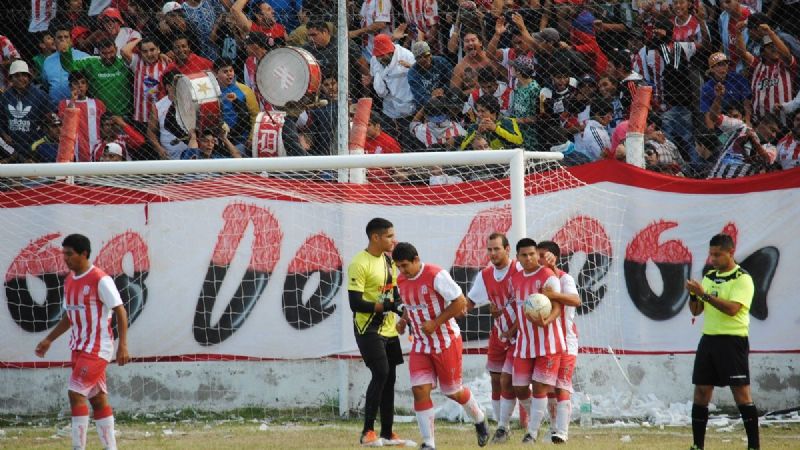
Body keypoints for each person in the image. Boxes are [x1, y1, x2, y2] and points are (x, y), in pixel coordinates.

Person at [34, 233, 130, 450]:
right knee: (97, 399)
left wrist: (122, 346)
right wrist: (49, 339)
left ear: (84, 254)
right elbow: (70, 316)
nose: (65, 259)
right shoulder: (69, 280)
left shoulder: (100, 279)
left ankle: (78, 447)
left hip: (97, 348)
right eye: (64, 254)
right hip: (78, 347)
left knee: (75, 393)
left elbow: (120, 311)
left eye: (70, 254)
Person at [392, 241, 490, 449]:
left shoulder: (435, 275)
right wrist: (403, 320)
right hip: (421, 344)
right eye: (398, 267)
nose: (402, 271)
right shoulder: (401, 280)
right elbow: (410, 305)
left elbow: (460, 302)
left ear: (416, 260)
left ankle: (479, 418)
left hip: (446, 342)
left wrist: (436, 323)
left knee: (453, 392)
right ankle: (429, 443)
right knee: (419, 390)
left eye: (405, 266)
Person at [686, 233, 759, 450]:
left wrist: (704, 295)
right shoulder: (709, 277)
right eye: (711, 255)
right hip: (708, 339)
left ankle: (754, 446)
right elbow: (696, 311)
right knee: (701, 392)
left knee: (741, 393)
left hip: (733, 340)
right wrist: (693, 295)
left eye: (718, 255)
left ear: (731, 252)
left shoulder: (742, 278)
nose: (713, 259)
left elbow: (732, 309)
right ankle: (697, 445)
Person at [346, 218, 405, 446]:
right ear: (375, 237)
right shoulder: (359, 263)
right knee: (380, 372)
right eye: (389, 236)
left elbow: (394, 295)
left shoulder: (389, 261)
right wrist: (386, 305)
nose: (393, 240)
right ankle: (367, 432)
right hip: (367, 327)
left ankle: (387, 433)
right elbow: (355, 303)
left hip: (389, 328)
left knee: (390, 379)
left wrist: (404, 312)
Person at [465, 233, 524, 443]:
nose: (492, 253)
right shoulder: (485, 275)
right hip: (499, 334)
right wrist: (447, 314)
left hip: (520, 335)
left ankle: (510, 426)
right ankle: (503, 428)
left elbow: (530, 302)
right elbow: (469, 303)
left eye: (496, 249)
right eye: (489, 249)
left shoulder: (520, 269)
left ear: (507, 249)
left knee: (509, 380)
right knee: (496, 381)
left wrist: (514, 326)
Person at [508, 237, 563, 444]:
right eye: (524, 255)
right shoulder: (515, 279)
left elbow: (558, 306)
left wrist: (546, 320)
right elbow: (521, 310)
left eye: (532, 254)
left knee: (540, 388)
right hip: (524, 344)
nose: (529, 258)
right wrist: (512, 329)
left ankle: (531, 433)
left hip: (548, 343)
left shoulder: (548, 276)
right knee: (520, 388)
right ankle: (540, 419)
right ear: (518, 257)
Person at [535, 240, 580, 444]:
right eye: (538, 255)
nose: (539, 259)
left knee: (562, 385)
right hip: (547, 342)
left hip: (566, 342)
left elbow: (576, 300)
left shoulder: (564, 278)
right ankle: (553, 429)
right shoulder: (536, 280)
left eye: (543, 255)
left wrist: (553, 295)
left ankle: (562, 432)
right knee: (548, 387)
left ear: (554, 257)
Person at [0, 60, 52, 161]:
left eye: (24, 75)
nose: (21, 78)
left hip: (36, 145)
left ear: (29, 77)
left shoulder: (40, 95)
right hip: (12, 146)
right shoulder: (5, 96)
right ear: (11, 78)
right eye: (17, 75)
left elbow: (49, 119)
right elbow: (1, 120)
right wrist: (4, 134)